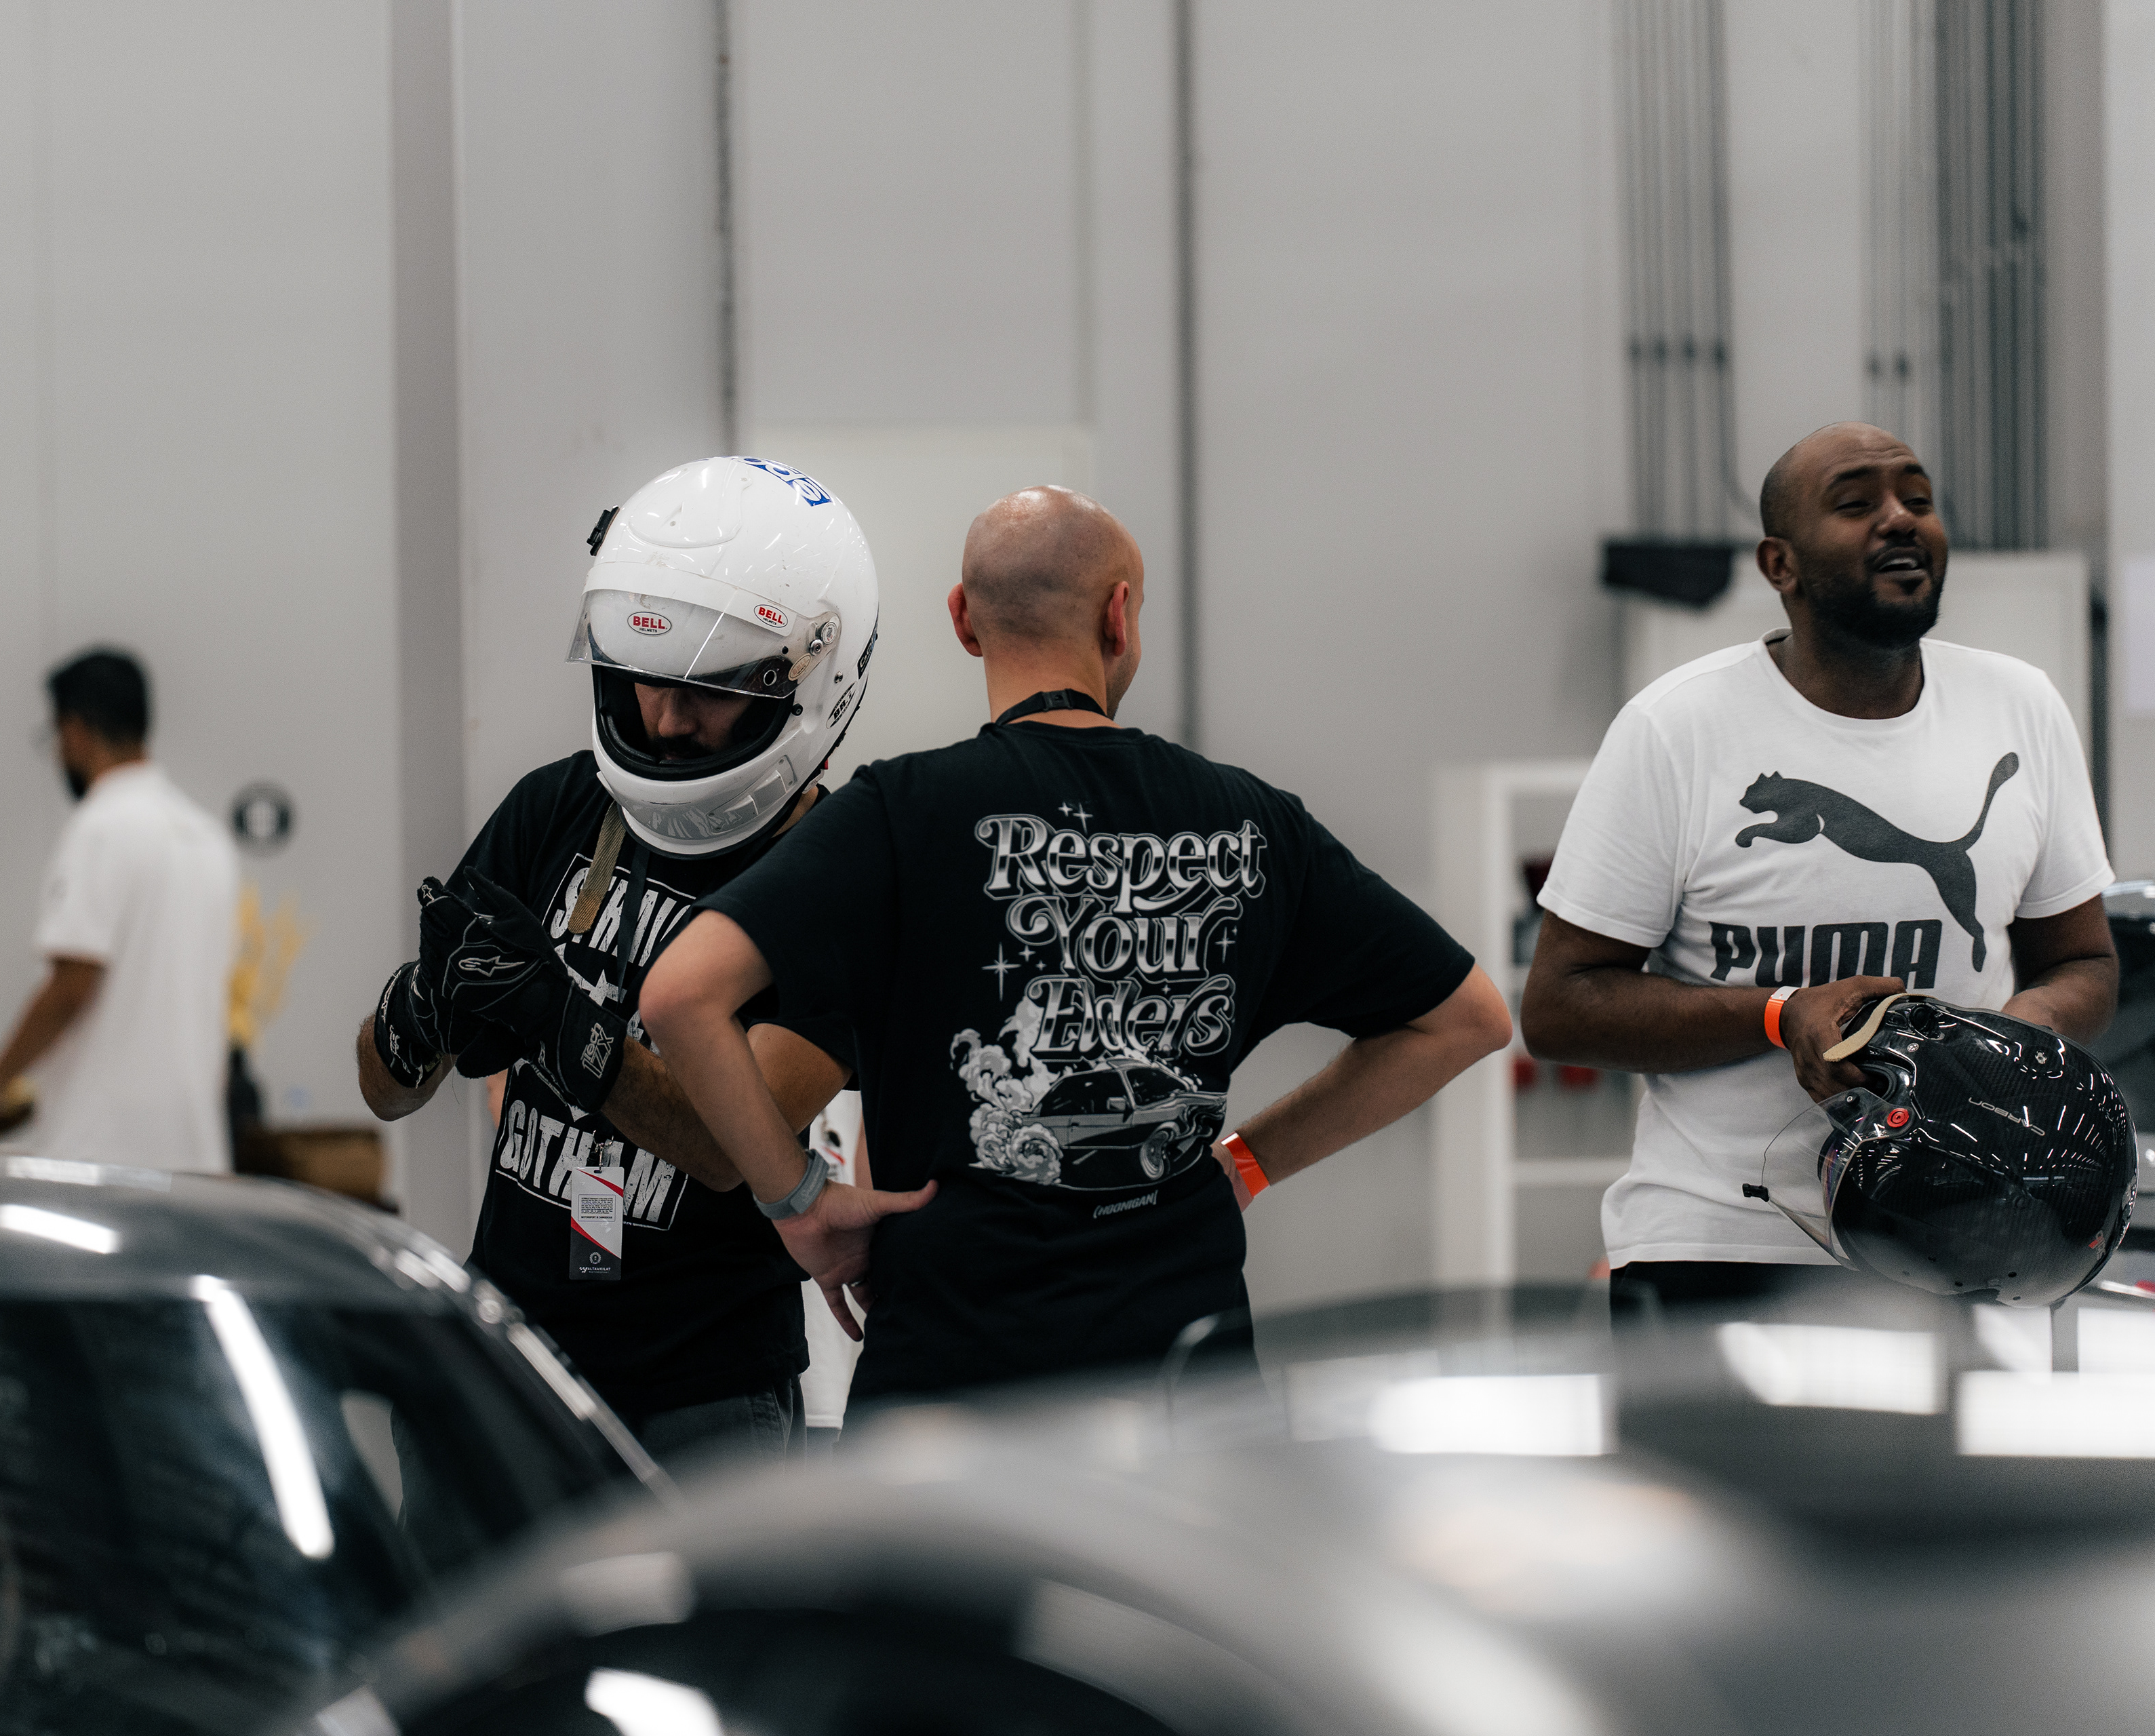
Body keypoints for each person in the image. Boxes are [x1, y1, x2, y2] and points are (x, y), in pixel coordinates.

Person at [641, 486, 1511, 1413]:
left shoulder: (899, 813)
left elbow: (680, 996)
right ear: (1119, 615)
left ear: (963, 619)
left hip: (954, 1392)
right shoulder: (1256, 823)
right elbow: (1468, 1020)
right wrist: (1249, 1162)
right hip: (1185, 1397)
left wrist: (799, 1204)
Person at [356, 455, 926, 1469]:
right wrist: (422, 1012)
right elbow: (385, 1090)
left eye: (710, 692)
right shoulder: (557, 805)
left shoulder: (840, 875)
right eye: (644, 677)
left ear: (809, 679)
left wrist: (558, 1021)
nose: (664, 719)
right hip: (511, 1362)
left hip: (702, 1393)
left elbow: (732, 1143)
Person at [1519, 422, 2117, 1311]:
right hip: (1721, 1244)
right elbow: (1561, 1008)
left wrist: (2001, 1049)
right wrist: (1778, 1013)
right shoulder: (1676, 729)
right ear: (1780, 564)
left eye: (1918, 497)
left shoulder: (2020, 705)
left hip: (1966, 1242)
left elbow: (2084, 962)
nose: (1900, 517)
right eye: (1856, 503)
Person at [0, 648, 240, 1169]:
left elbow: (71, 986)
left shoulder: (101, 828)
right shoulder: (207, 839)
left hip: (106, 1154)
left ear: (75, 731)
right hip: (195, 1151)